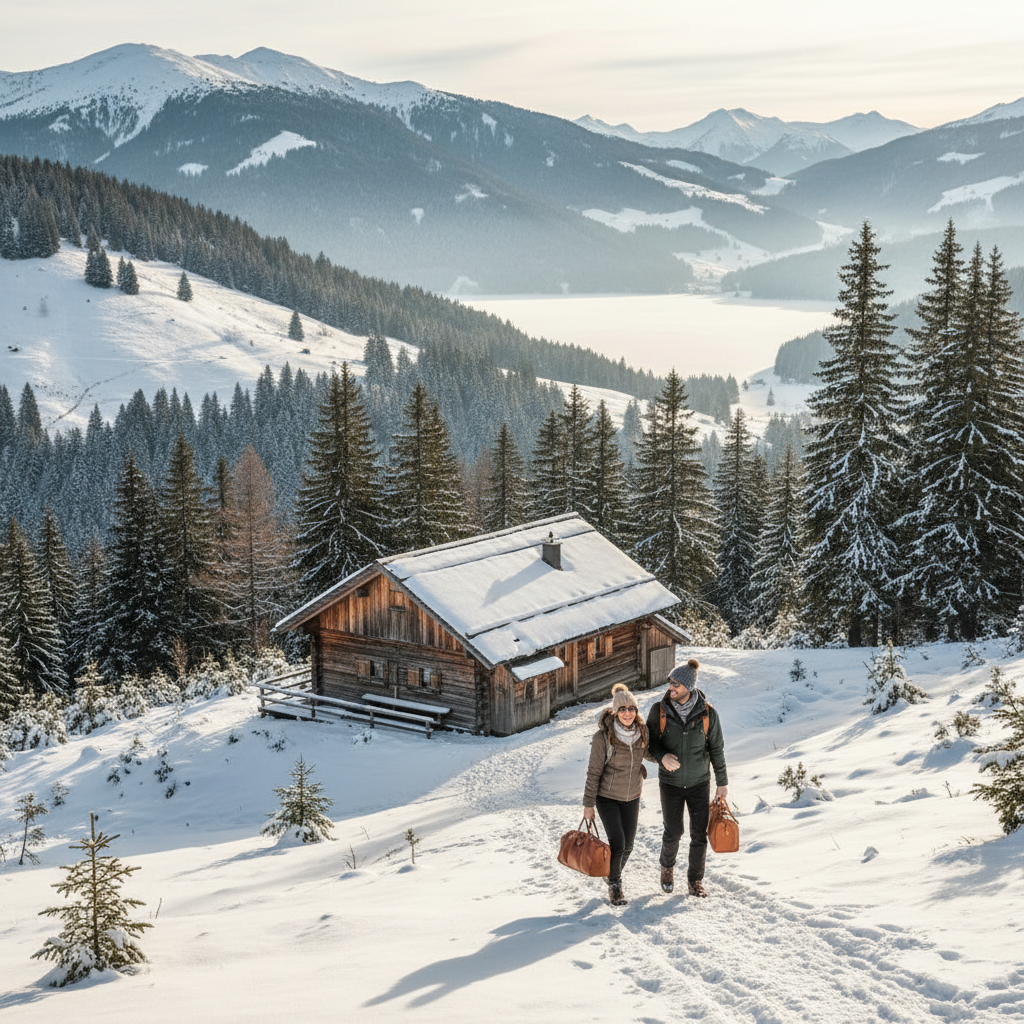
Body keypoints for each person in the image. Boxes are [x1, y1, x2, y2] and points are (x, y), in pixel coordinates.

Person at [646, 658, 728, 898]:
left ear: (688, 687)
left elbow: (717, 749)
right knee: (673, 832)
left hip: (699, 783)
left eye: (675, 685)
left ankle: (694, 880)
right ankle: (667, 868)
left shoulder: (708, 714)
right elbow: (650, 744)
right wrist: (662, 757)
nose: (670, 688)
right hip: (670, 784)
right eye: (670, 683)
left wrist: (722, 782)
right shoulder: (659, 711)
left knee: (699, 834)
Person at [582, 682, 648, 906]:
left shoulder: (642, 733)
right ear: (615, 711)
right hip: (607, 796)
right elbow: (593, 772)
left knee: (628, 845)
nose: (627, 713)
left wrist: (668, 756)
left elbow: (652, 753)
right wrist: (588, 804)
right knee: (618, 842)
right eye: (622, 709)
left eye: (631, 709)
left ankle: (611, 874)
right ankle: (615, 885)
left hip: (632, 795)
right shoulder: (603, 738)